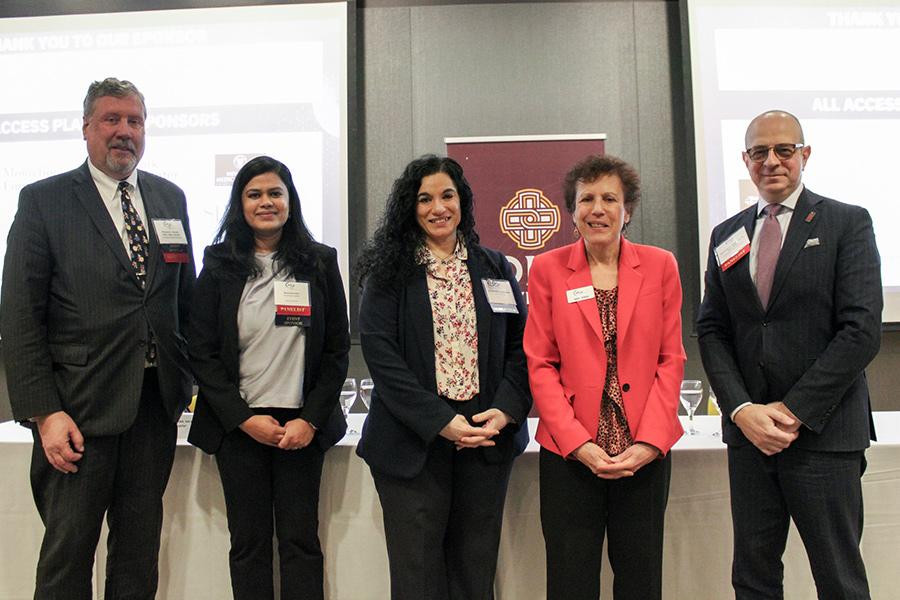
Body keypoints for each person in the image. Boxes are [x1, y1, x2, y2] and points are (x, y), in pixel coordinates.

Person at [0, 78, 195, 599]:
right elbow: (19, 318)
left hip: (152, 411)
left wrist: (187, 385)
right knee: (67, 562)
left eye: (134, 121)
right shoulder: (44, 201)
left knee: (137, 559)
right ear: (86, 127)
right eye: (111, 119)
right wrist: (44, 412)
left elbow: (183, 298)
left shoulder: (169, 197)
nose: (124, 131)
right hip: (77, 414)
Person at [697, 110, 882, 599]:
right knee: (753, 579)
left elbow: (861, 331)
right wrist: (741, 410)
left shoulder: (847, 222)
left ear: (805, 154)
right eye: (760, 151)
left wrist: (792, 410)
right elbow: (712, 330)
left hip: (824, 435)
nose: (772, 161)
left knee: (838, 578)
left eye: (784, 150)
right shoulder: (726, 235)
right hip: (751, 439)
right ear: (745, 160)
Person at [355, 154, 531, 600]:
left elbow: (521, 349)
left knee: (475, 576)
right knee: (418, 580)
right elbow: (382, 356)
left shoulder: (495, 268)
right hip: (412, 444)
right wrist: (439, 421)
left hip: (484, 442)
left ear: (463, 201)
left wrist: (506, 411)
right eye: (425, 198)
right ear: (409, 209)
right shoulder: (388, 272)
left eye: (447, 195)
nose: (438, 207)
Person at [187, 155, 349, 600]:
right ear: (240, 204)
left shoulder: (319, 262)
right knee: (249, 544)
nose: (266, 202)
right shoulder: (218, 263)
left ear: (290, 202)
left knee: (301, 542)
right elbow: (200, 350)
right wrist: (242, 418)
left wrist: (310, 420)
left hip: (300, 425)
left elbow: (337, 350)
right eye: (254, 194)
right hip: (240, 426)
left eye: (275, 193)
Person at [523, 155, 685, 600]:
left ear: (627, 210)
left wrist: (651, 441)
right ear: (572, 213)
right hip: (571, 455)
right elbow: (540, 363)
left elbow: (671, 359)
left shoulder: (660, 266)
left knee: (640, 579)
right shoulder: (548, 269)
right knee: (571, 580)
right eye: (586, 199)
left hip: (644, 453)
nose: (598, 208)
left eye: (609, 198)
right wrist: (577, 442)